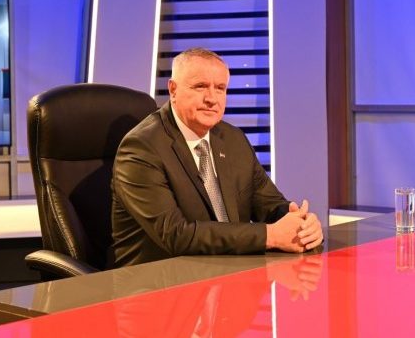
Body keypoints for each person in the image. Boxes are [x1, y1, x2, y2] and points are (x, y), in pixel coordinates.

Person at [110, 47, 323, 267]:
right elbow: (176, 235)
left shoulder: (233, 139)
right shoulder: (141, 148)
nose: (212, 98)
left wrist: (300, 224)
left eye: (220, 88)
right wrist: (271, 236)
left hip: (229, 272)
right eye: (200, 86)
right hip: (157, 280)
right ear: (173, 90)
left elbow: (269, 203)